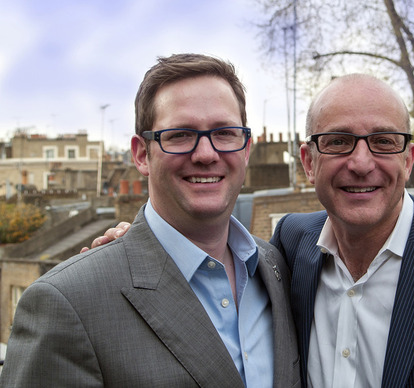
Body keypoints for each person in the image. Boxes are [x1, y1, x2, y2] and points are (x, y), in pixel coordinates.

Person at [91, 74, 414, 387]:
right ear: (308, 161)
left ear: (408, 158)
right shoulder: (288, 250)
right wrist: (140, 250)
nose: (361, 164)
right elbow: (206, 265)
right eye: (338, 142)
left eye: (383, 142)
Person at [0, 54, 300, 388]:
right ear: (142, 154)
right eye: (180, 135)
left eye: (225, 132)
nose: (205, 154)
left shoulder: (278, 268)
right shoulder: (67, 303)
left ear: (245, 149)